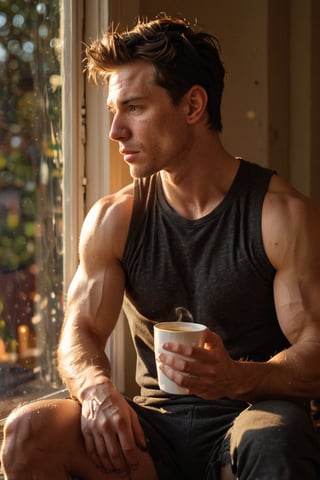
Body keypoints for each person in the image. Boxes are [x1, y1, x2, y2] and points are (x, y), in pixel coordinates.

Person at [2, 14, 320, 480]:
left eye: (134, 108)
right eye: (114, 110)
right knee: (28, 431)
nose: (115, 131)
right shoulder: (116, 217)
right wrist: (94, 391)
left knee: (273, 437)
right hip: (152, 432)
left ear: (192, 105)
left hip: (250, 418)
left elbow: (314, 352)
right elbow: (81, 329)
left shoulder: (280, 214)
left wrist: (236, 377)